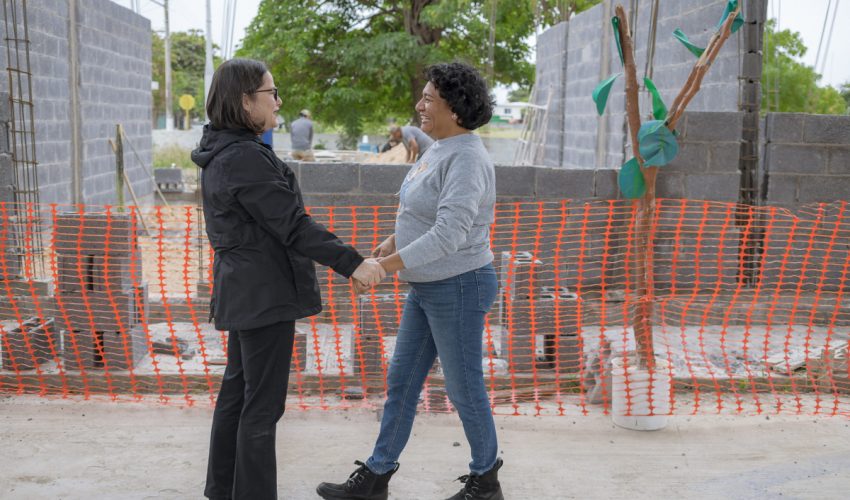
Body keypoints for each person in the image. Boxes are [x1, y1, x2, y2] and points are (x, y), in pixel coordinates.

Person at [191, 58, 385, 500]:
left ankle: (222, 490)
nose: (278, 102)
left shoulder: (228, 150)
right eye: (271, 93)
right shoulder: (242, 157)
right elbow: (293, 225)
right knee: (260, 408)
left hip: (248, 290)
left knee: (238, 395)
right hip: (261, 294)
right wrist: (353, 262)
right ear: (244, 102)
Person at [317, 62, 503, 500]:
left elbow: (449, 233)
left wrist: (384, 266)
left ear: (455, 109)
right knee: (401, 381)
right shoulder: (438, 148)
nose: (419, 106)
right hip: (428, 286)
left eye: (428, 99)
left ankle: (486, 480)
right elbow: (423, 213)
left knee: (463, 388)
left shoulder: (467, 158)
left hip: (460, 285)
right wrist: (391, 242)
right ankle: (377, 475)